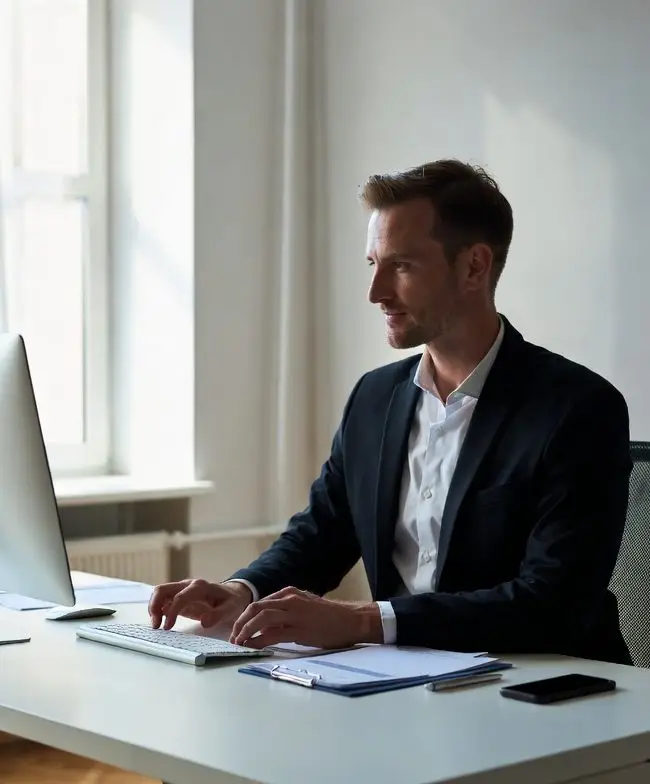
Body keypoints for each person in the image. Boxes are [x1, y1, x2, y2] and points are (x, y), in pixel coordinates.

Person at [149, 159, 632, 663]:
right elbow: (322, 533)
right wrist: (242, 590)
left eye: (401, 266)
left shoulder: (577, 408)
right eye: (373, 264)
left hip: (550, 691)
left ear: (474, 266)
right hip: (409, 682)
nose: (376, 292)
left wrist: (363, 620)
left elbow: (554, 603)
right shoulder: (375, 397)